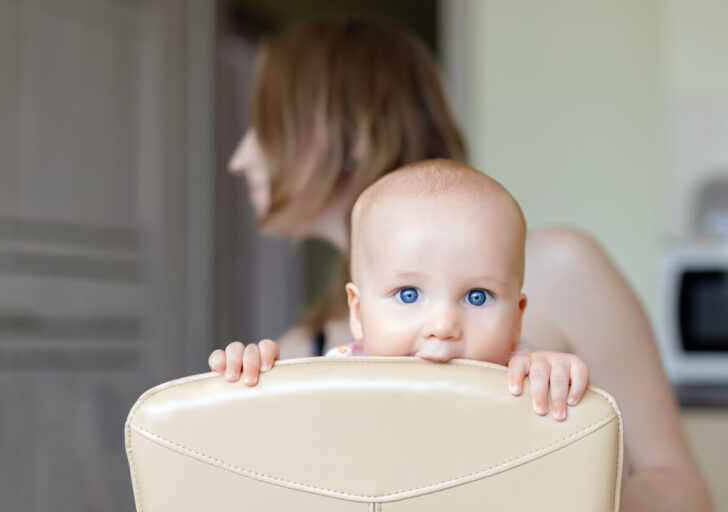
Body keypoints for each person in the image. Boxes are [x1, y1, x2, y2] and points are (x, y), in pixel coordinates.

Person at [212, 19, 712, 511]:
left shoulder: (561, 269)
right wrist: (242, 404)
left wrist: (570, 463)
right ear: (357, 308)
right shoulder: (304, 352)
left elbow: (685, 492)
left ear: (349, 137)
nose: (240, 157)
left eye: (265, 127)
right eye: (407, 294)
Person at [215, 159, 592, 423]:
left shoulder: (524, 378)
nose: (443, 325)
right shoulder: (332, 380)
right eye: (408, 294)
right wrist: (254, 385)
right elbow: (277, 458)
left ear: (516, 318)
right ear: (358, 314)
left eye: (477, 296)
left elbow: (570, 462)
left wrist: (558, 384)